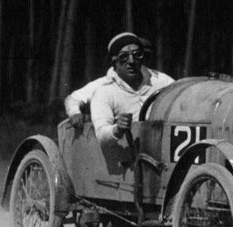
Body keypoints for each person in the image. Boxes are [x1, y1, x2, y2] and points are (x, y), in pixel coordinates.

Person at [63, 31, 175, 172]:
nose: (131, 61)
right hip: (128, 156)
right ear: (114, 61)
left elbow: (182, 94)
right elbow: (74, 99)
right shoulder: (104, 89)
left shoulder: (160, 80)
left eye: (136, 55)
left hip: (161, 144)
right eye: (124, 57)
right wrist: (75, 113)